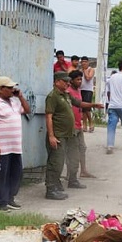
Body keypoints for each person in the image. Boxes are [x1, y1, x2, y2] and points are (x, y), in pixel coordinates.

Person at [0, 75, 30, 211]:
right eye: (10, 88)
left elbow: (27, 110)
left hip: (15, 147)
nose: (13, 90)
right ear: (1, 89)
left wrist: (20, 97)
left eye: (13, 88)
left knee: (16, 173)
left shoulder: (14, 102)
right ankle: (2, 202)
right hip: (2, 148)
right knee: (1, 175)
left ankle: (10, 197)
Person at [44, 72, 77, 200]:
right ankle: (51, 190)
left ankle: (56, 186)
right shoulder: (53, 96)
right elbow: (49, 116)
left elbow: (78, 103)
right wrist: (51, 136)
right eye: (64, 81)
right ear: (57, 81)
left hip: (65, 135)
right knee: (55, 163)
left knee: (60, 162)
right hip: (57, 135)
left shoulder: (65, 95)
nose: (67, 83)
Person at [67, 70, 102, 180]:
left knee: (82, 148)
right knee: (72, 150)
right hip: (71, 125)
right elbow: (77, 104)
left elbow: (80, 106)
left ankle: (83, 171)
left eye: (80, 79)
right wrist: (94, 104)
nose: (80, 81)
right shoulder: (68, 92)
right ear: (71, 81)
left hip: (78, 125)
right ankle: (70, 174)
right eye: (77, 79)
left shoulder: (78, 90)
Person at [79, 56, 95, 132]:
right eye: (82, 62)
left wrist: (85, 71)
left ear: (88, 62)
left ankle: (91, 122)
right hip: (81, 90)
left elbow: (88, 78)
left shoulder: (91, 69)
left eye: (85, 62)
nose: (84, 63)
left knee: (87, 108)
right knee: (83, 109)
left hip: (88, 90)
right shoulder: (80, 70)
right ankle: (84, 125)